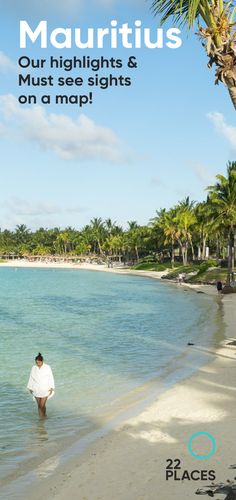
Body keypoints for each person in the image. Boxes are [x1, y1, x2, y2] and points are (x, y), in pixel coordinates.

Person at [27, 353, 55, 418]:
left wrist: (52, 387)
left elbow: (51, 377)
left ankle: (43, 416)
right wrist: (30, 387)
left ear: (42, 361)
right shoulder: (34, 368)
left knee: (42, 405)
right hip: (36, 389)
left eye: (39, 362)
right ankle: (42, 418)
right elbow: (31, 377)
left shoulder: (47, 367)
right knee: (39, 406)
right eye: (36, 362)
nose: (37, 364)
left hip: (45, 389)